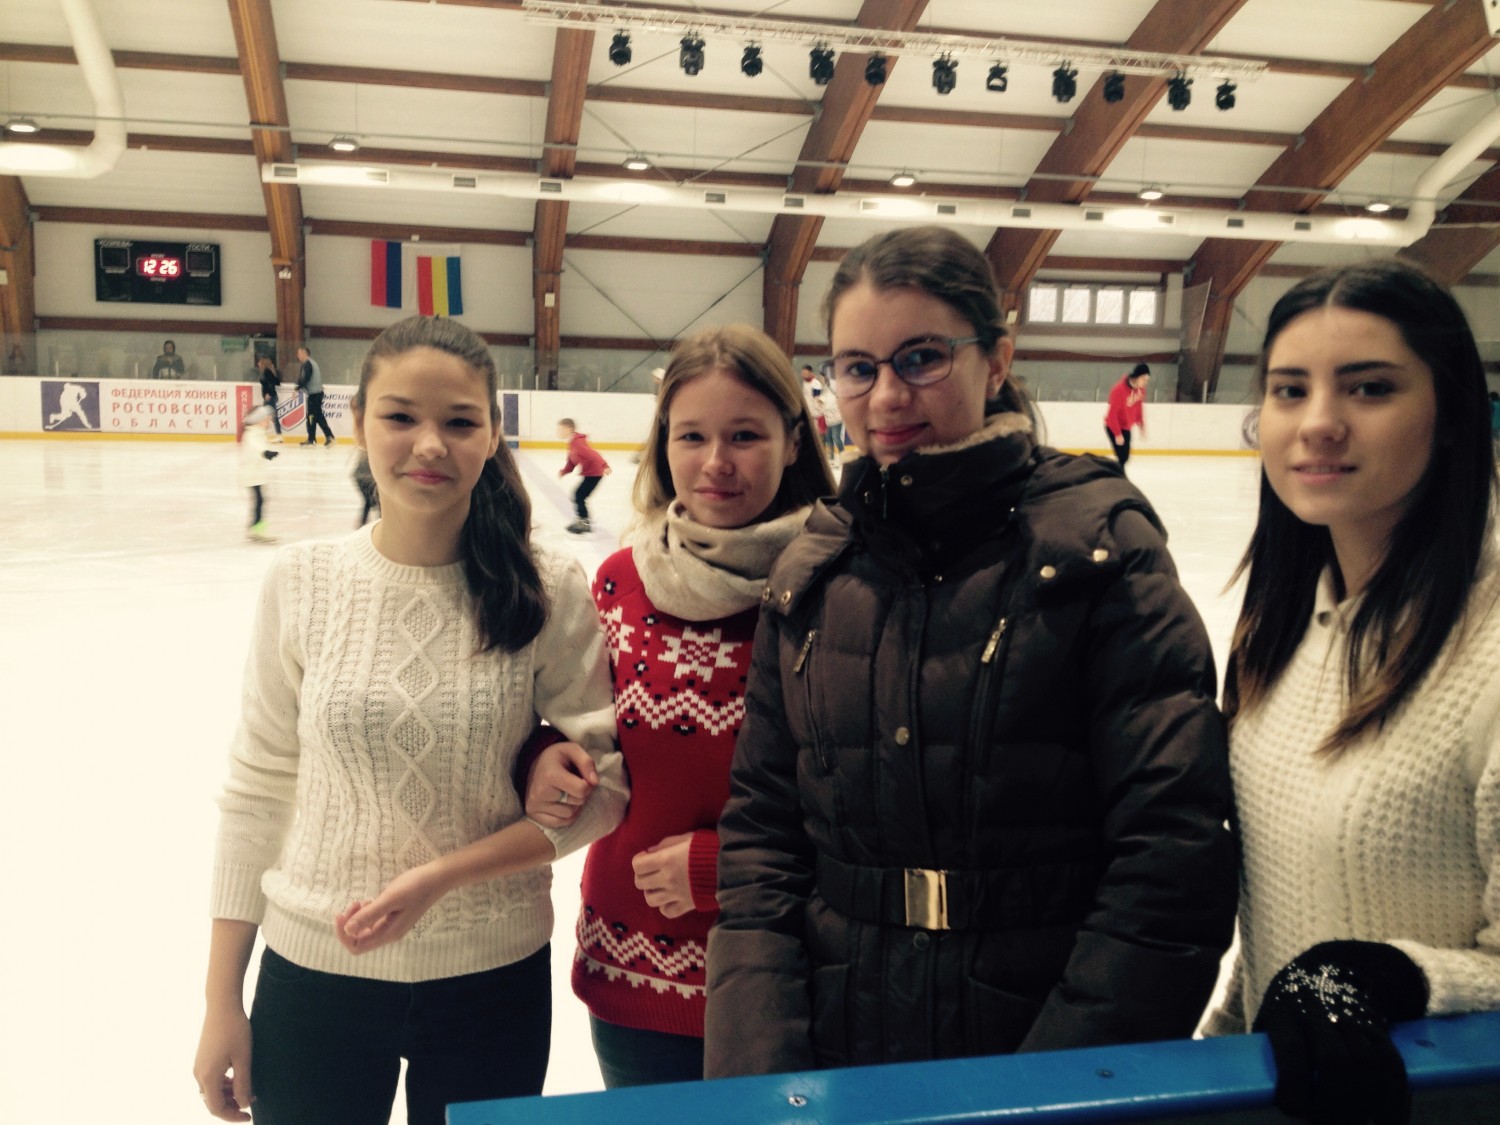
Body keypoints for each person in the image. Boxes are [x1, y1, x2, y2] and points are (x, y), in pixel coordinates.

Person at [704, 225, 1236, 1077]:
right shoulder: (813, 571)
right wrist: (761, 1072)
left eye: (922, 357)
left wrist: (1056, 1091)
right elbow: (764, 836)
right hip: (841, 1056)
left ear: (996, 360)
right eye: (858, 367)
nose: (887, 396)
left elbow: (1170, 850)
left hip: (1036, 1054)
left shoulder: (1097, 552)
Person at [192, 316, 628, 1125]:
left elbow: (601, 790)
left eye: (460, 421)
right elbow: (257, 789)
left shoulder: (546, 586)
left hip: (492, 975)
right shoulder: (303, 580)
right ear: (360, 420)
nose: (430, 444)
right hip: (315, 968)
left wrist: (443, 876)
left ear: (492, 433)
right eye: (400, 416)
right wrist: (222, 1000)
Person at [1205, 260, 1500, 1125]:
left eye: (1370, 388)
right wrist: (1228, 1043)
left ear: (1453, 415)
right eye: (1290, 390)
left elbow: (1334, 975)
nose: (1319, 423)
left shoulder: (1487, 651)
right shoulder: (1279, 635)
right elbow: (1279, 930)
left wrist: (1392, 976)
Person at [523, 325, 834, 1088]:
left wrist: (723, 867)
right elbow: (572, 725)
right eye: (691, 434)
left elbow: (872, 796)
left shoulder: (837, 590)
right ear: (664, 443)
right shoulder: (619, 582)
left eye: (745, 435)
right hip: (634, 967)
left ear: (794, 442)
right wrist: (541, 757)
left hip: (788, 966)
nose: (715, 461)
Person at [557, 417, 610, 534]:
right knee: (578, 496)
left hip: (594, 473)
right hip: (591, 473)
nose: (559, 432)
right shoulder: (572, 442)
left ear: (569, 428)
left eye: (561, 429)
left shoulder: (578, 443)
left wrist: (604, 465)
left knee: (579, 496)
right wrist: (564, 471)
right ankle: (583, 521)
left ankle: (584, 523)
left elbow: (593, 454)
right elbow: (571, 462)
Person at [239, 405, 278, 542]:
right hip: (251, 474)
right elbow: (256, 446)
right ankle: (257, 529)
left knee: (260, 500)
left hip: (255, 474)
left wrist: (267, 451)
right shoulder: (252, 434)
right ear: (258, 420)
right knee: (259, 500)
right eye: (267, 419)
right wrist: (265, 452)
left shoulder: (257, 432)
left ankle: (255, 528)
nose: (269, 421)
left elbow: (259, 445)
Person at [1104, 362, 1150, 468]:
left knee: (1125, 457)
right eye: (1143, 379)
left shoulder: (1141, 390)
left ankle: (1116, 473)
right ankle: (1111, 471)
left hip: (1126, 426)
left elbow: (1139, 407)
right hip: (1112, 426)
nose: (1145, 382)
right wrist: (1117, 433)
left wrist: (1141, 425)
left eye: (1147, 380)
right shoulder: (1118, 390)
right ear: (1136, 377)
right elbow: (1112, 415)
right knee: (1122, 456)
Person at [296, 344, 335, 447]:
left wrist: (297, 388)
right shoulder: (312, 363)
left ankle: (312, 439)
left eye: (299, 353)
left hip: (314, 395)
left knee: (311, 416)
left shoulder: (307, 364)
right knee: (317, 416)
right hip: (316, 394)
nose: (298, 356)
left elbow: (305, 378)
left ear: (305, 353)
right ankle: (329, 436)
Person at [256, 355, 283, 441]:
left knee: (267, 416)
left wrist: (268, 393)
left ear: (263, 363)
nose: (258, 363)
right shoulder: (268, 372)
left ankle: (277, 435)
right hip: (271, 397)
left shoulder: (267, 372)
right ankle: (277, 435)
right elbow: (276, 382)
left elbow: (271, 383)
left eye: (260, 362)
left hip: (270, 397)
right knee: (270, 416)